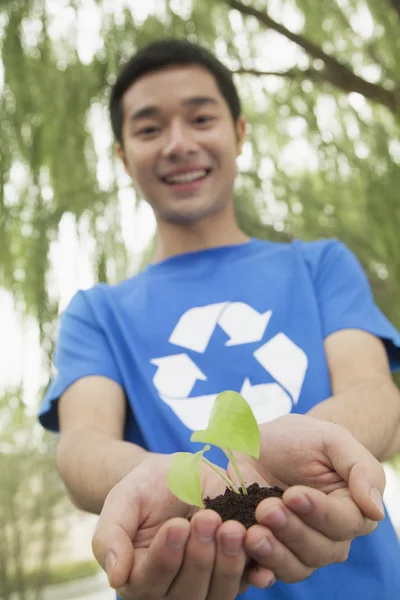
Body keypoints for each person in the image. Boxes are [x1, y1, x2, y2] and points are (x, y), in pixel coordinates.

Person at [38, 38, 400, 600]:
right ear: (122, 156)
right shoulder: (96, 313)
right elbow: (81, 446)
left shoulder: (320, 265)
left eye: (201, 118)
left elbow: (375, 393)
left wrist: (307, 450)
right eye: (149, 128)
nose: (179, 143)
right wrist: (166, 479)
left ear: (239, 133)